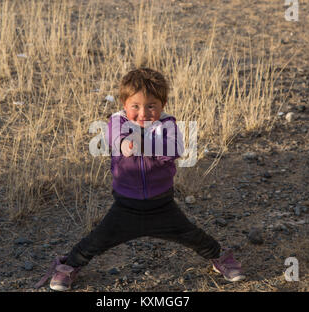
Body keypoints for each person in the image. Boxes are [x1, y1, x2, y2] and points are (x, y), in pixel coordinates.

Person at [34, 68, 245, 291]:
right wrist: (126, 144)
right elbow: (116, 139)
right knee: (97, 240)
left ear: (162, 105)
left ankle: (219, 257)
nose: (143, 113)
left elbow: (175, 148)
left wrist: (144, 145)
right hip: (126, 206)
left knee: (191, 235)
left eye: (151, 106)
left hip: (162, 205)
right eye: (135, 106)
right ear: (124, 104)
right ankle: (69, 265)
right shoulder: (117, 122)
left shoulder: (167, 125)